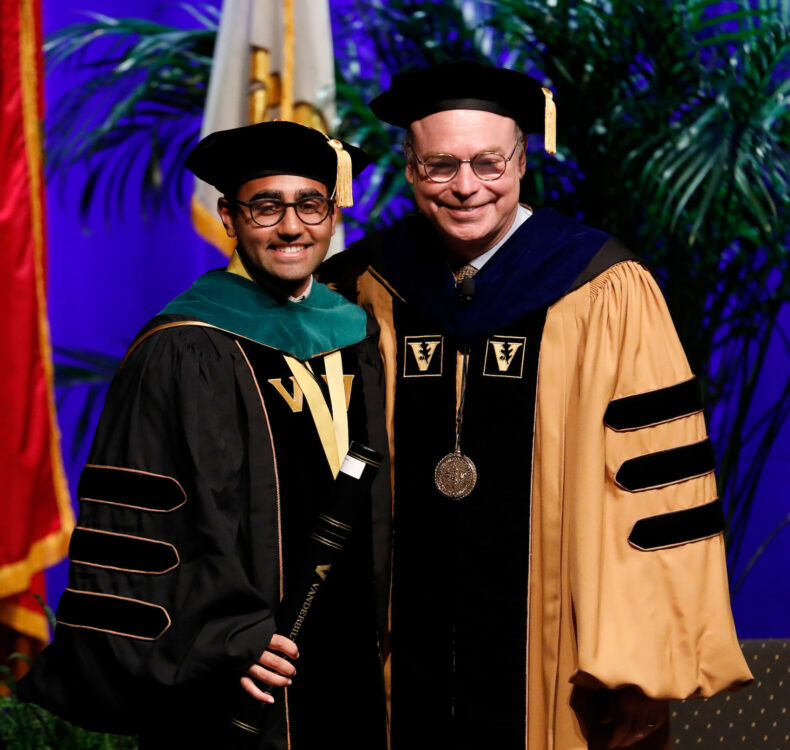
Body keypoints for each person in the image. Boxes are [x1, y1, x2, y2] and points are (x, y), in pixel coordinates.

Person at [320, 61, 752, 750]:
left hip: (559, 668)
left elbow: (653, 492)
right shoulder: (362, 285)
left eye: (489, 162)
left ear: (524, 161)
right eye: (439, 166)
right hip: (392, 669)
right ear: (408, 169)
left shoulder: (604, 289)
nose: (466, 187)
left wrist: (639, 667)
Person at [18, 120, 390, 749]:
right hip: (236, 673)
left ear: (332, 213)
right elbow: (142, 529)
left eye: (310, 204)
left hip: (352, 660)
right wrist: (231, 637)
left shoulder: (358, 334)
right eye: (267, 207)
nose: (292, 227)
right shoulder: (184, 348)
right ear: (230, 216)